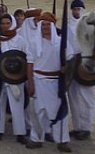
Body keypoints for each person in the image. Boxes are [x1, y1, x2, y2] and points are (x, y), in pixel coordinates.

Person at [24, 12, 72, 152]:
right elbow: (30, 64)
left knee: (59, 112)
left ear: (53, 25)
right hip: (38, 81)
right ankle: (35, 138)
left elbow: (71, 60)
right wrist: (31, 84)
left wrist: (66, 68)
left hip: (56, 82)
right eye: (43, 24)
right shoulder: (33, 42)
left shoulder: (62, 42)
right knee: (37, 111)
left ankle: (62, 141)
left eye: (48, 25)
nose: (45, 27)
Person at [0, 14, 29, 144]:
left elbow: (25, 59)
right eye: (2, 23)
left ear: (12, 24)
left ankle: (20, 133)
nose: (5, 26)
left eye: (8, 23)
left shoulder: (20, 40)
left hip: (15, 79)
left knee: (17, 106)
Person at [66, 0, 94, 140]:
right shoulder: (67, 25)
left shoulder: (89, 26)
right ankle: (77, 127)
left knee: (86, 97)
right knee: (73, 97)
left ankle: (86, 128)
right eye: (74, 9)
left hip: (84, 64)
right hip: (72, 63)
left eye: (79, 9)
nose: (76, 11)